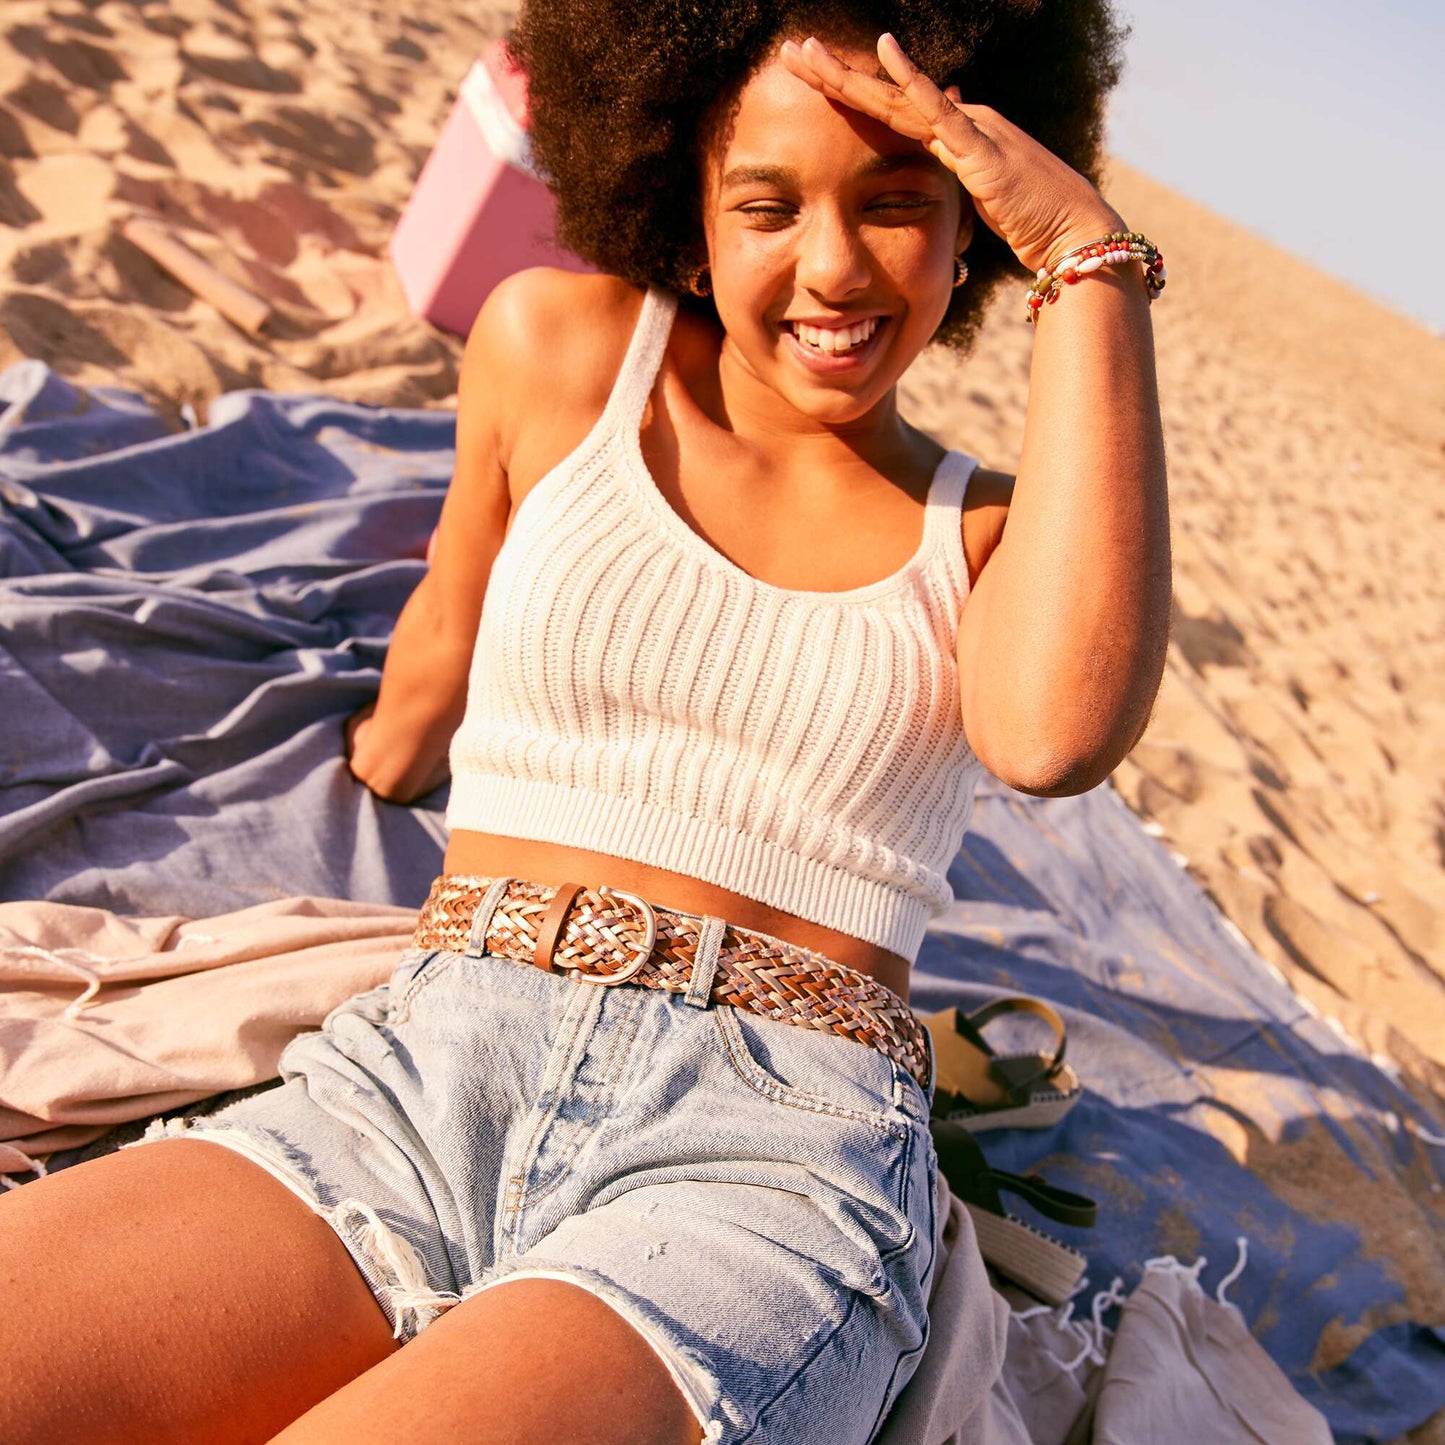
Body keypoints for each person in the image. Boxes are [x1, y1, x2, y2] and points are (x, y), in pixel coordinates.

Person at [0, 0, 1168, 1438]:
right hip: (423, 1069)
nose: (832, 265)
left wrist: (1089, 264)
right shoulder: (559, 347)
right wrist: (386, 753)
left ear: (968, 230)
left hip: (769, 1158)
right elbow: (449, 609)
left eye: (896, 206)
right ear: (680, 201)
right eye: (765, 205)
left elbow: (1054, 736)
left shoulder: (984, 532)